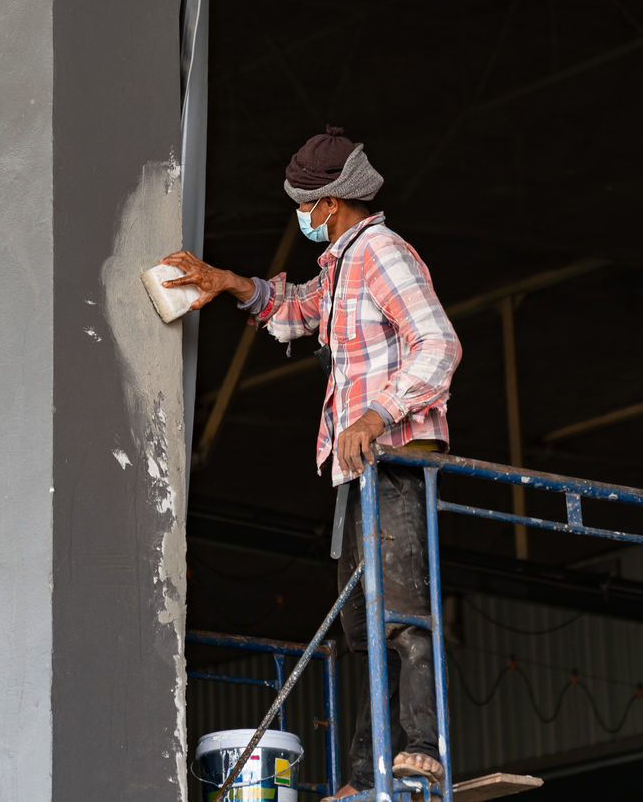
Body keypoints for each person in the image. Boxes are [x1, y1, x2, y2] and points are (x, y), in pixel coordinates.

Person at [161, 126, 462, 798]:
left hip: (398, 461)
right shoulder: (343, 266)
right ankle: (366, 773)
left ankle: (422, 750)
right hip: (361, 470)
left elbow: (438, 344)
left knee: (403, 616)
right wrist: (231, 284)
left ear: (327, 205)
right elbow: (297, 310)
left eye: (304, 206)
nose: (301, 218)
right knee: (367, 631)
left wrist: (379, 413)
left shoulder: (382, 253)